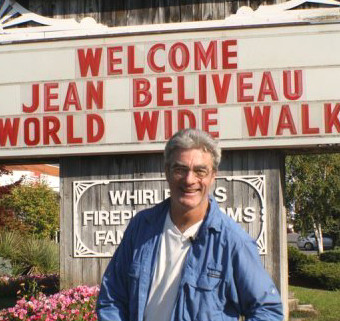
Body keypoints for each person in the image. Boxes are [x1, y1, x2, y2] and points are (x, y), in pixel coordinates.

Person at [96, 128, 284, 321]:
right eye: (180, 169)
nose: (189, 180)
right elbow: (112, 297)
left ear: (213, 176)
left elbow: (267, 311)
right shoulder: (141, 227)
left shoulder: (233, 242)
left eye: (200, 171)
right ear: (167, 173)